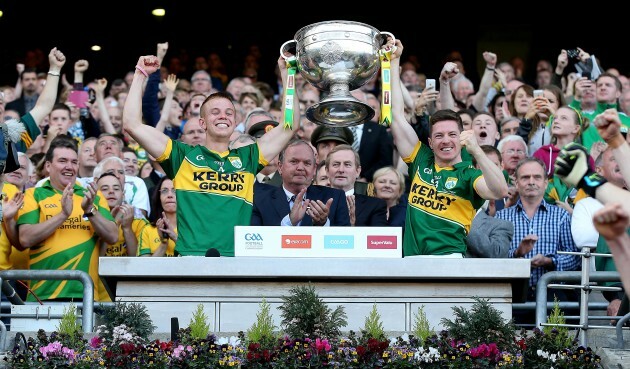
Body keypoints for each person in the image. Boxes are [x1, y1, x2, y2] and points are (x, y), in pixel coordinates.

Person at [123, 54, 298, 256]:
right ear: (202, 123)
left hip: (236, 261)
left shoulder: (249, 157)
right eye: (215, 112)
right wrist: (140, 74)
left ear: (234, 122)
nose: (223, 116)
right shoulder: (181, 155)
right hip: (191, 259)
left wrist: (288, 73)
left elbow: (289, 125)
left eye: (229, 113)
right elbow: (132, 124)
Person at [389, 38, 508, 257]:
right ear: (430, 142)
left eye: (452, 135)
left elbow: (500, 191)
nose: (446, 140)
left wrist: (477, 151)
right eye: (439, 136)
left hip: (451, 262)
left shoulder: (468, 175)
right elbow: (396, 116)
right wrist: (393, 62)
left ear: (462, 137)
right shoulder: (420, 159)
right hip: (412, 263)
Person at [16, 138, 118, 301]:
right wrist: (63, 215)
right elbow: (25, 238)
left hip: (85, 295)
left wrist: (89, 211)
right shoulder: (33, 194)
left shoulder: (92, 196)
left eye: (74, 162)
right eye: (62, 161)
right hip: (43, 295)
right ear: (48, 166)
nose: (69, 167)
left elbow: (113, 236)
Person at [251, 139, 350, 227]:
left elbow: (346, 242)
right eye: (294, 162)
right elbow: (254, 242)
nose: (300, 168)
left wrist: (323, 224)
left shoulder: (335, 198)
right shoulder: (259, 199)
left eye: (307, 163)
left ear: (314, 169)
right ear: (280, 167)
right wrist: (289, 222)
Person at [325, 144, 387, 226]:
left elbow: (380, 238)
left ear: (357, 171)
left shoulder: (375, 206)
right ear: (327, 171)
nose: (341, 170)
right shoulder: (313, 202)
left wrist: (353, 229)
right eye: (336, 164)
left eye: (347, 164)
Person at [138, 177, 178, 257]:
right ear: (159, 197)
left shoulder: (193, 228)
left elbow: (199, 264)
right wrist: (164, 243)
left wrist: (175, 238)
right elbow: (144, 268)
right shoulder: (147, 230)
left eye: (175, 191)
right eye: (164, 191)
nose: (170, 195)